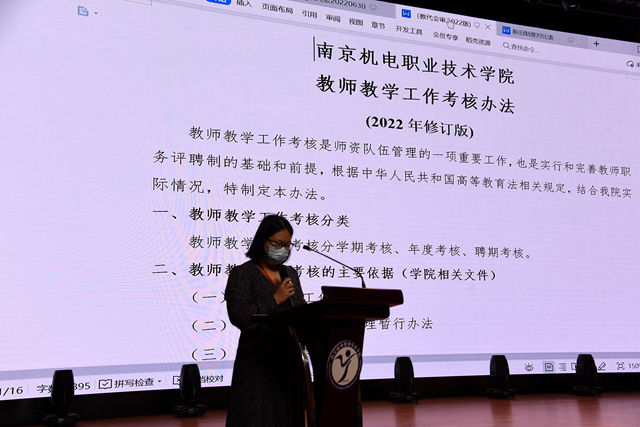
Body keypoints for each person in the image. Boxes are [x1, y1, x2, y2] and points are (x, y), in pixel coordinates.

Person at [225, 214, 306, 427]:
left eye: (287, 245)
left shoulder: (290, 274)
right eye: (278, 244)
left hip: (288, 364)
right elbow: (239, 316)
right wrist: (275, 299)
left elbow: (301, 311)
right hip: (257, 366)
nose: (283, 249)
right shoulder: (243, 274)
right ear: (263, 240)